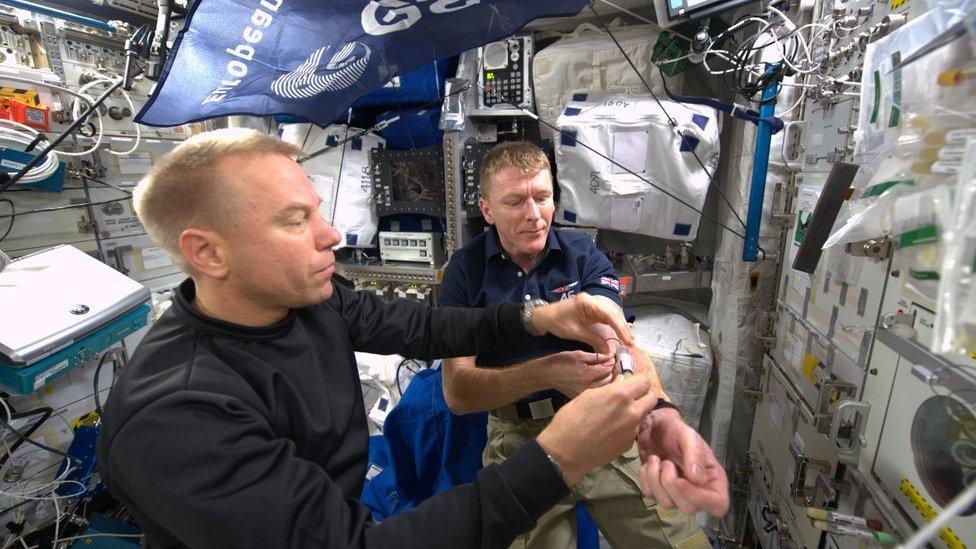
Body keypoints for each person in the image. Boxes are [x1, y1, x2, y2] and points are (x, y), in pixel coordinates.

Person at [96, 128, 666, 549]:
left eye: (318, 212)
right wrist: (555, 458)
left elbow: (423, 327)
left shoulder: (310, 300)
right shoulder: (178, 416)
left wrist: (534, 320)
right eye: (296, 221)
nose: (333, 235)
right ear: (207, 253)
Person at [438, 141, 729, 548]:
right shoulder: (463, 274)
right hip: (520, 437)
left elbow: (618, 342)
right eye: (515, 202)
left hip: (600, 419)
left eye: (542, 197)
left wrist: (661, 411)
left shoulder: (581, 254)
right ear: (487, 210)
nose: (534, 215)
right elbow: (458, 392)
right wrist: (547, 372)